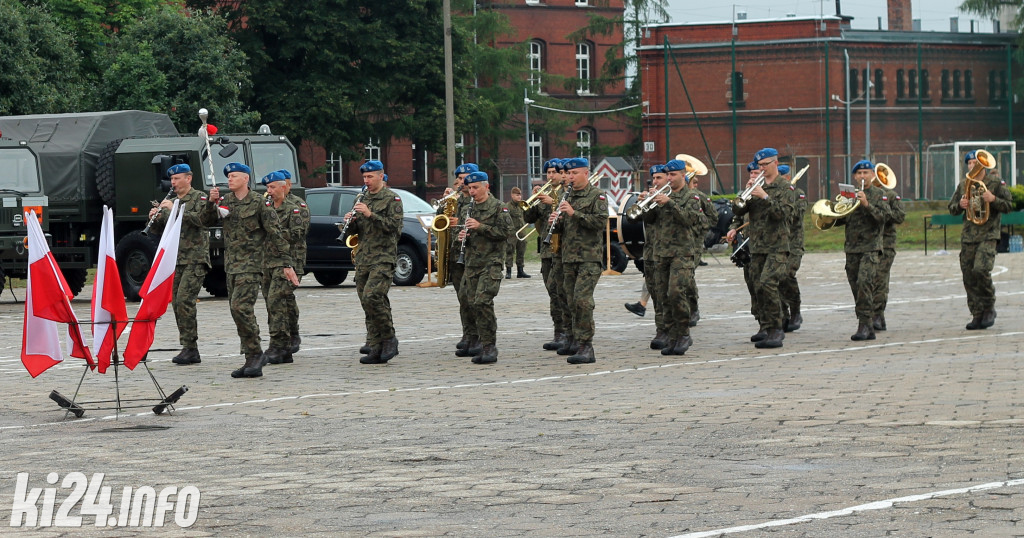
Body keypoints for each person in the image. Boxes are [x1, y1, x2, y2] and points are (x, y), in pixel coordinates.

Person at [207, 162, 298, 378]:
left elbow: (276, 234)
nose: (230, 179)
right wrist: (210, 204)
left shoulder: (259, 203)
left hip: (253, 265)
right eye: (228, 176)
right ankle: (251, 356)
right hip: (231, 265)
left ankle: (255, 354)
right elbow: (205, 222)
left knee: (241, 307)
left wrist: (287, 264)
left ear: (246, 179)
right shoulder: (225, 201)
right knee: (236, 310)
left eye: (235, 175)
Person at [147, 163, 217, 366]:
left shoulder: (199, 198)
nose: (173, 183)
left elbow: (201, 220)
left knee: (185, 300)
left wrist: (175, 209)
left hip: (195, 258)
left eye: (177, 179)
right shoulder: (171, 201)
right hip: (175, 259)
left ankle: (190, 347)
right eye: (172, 179)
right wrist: (155, 217)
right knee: (177, 302)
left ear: (189, 178)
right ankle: (188, 347)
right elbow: (159, 230)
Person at [727, 148, 796, 349]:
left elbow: (784, 214)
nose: (762, 169)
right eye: (759, 166)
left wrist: (765, 197)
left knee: (768, 283)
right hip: (757, 246)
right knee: (758, 287)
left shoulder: (785, 188)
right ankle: (765, 327)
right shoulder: (756, 186)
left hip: (777, 246)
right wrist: (746, 195)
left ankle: (776, 329)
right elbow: (738, 210)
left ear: (775, 163)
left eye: (765, 165)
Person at [642, 158, 710, 355]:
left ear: (683, 175)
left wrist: (670, 204)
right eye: (668, 175)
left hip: (682, 252)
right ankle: (671, 337)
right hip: (661, 253)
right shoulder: (663, 194)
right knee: (663, 297)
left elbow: (692, 220)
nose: (669, 178)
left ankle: (683, 334)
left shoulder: (692, 198)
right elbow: (648, 220)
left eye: (672, 175)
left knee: (676, 293)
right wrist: (646, 204)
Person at [341, 160, 404, 364]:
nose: (366, 181)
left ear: (380, 176)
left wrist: (370, 214)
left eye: (370, 177)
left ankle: (389, 338)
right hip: (364, 258)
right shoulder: (363, 197)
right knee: (367, 303)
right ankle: (376, 346)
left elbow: (394, 228)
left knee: (373, 296)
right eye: (364, 177)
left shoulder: (391, 199)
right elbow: (357, 231)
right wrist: (349, 222)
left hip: (383, 257)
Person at [948, 149, 1014, 330]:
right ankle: (977, 313)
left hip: (988, 234)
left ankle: (989, 305)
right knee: (968, 275)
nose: (972, 166)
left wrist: (993, 199)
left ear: (983, 164)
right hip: (968, 236)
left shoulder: (995, 183)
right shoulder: (964, 184)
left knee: (981, 269)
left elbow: (1009, 205)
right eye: (969, 163)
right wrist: (960, 205)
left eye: (975, 163)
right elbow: (951, 208)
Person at [550, 157, 608, 364]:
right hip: (568, 257)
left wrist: (574, 214)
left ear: (585, 173)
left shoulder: (597, 196)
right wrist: (555, 223)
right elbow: (563, 229)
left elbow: (599, 223)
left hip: (588, 258)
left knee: (582, 301)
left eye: (574, 173)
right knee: (570, 301)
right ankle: (574, 339)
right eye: (569, 173)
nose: (570, 177)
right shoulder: (565, 197)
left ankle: (586, 346)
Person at [454, 171, 513, 364]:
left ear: (486, 187)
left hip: (491, 263)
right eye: (469, 188)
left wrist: (480, 227)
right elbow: (462, 234)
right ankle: (476, 341)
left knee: (482, 301)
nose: (472, 192)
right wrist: (462, 236)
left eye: (475, 188)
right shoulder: (466, 210)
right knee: (471, 304)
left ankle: (489, 346)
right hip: (472, 263)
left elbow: (506, 233)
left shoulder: (498, 208)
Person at [834, 160, 890, 341]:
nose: (862, 176)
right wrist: (833, 212)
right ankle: (866, 323)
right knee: (856, 286)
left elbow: (884, 218)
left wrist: (866, 204)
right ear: (855, 177)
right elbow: (840, 219)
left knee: (865, 284)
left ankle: (865, 325)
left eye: (866, 173)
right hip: (851, 248)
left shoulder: (879, 194)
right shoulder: (849, 195)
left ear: (873, 175)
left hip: (871, 248)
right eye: (859, 174)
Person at [259, 170, 309, 365]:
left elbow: (298, 233)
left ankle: (279, 344)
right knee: (275, 302)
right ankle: (285, 346)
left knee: (276, 300)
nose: (269, 191)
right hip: (267, 261)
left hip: (290, 261)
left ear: (284, 187)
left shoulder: (295, 207)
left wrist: (273, 233)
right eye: (267, 188)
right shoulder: (265, 206)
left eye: (272, 187)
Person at [524, 159, 568, 351]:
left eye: (554, 172)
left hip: (564, 251)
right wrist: (533, 201)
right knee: (553, 293)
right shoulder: (545, 194)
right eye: (548, 172)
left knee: (563, 293)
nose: (551, 176)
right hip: (547, 250)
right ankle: (559, 332)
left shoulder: (566, 193)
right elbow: (528, 219)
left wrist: (554, 202)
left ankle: (569, 332)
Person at [628, 164, 671, 349]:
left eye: (659, 178)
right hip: (652, 252)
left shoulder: (674, 197)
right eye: (653, 179)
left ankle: (674, 330)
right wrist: (640, 204)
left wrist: (666, 202)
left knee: (670, 294)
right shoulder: (651, 199)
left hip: (671, 252)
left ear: (668, 179)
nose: (655, 182)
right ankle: (661, 330)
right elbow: (634, 219)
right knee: (656, 293)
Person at [440, 163, 478, 354]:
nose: (462, 182)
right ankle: (468, 334)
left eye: (466, 178)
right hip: (456, 253)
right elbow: (440, 221)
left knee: (471, 297)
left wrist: (460, 223)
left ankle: (478, 335)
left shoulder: (480, 199)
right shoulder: (454, 199)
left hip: (474, 255)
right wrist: (443, 202)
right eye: (460, 179)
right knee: (462, 297)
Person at [873, 171, 905, 331]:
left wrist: (882, 210)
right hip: (866, 243)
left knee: (880, 278)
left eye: (868, 173)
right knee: (866, 280)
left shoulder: (890, 195)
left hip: (886, 244)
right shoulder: (862, 194)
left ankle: (877, 314)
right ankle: (870, 315)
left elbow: (900, 216)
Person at [776, 163, 806, 332]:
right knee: (776, 277)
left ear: (788, 177)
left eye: (781, 176)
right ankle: (783, 314)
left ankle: (795, 310)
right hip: (777, 243)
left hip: (793, 244)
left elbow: (795, 216)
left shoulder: (798, 194)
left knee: (787, 274)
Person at [504, 187, 530, 279]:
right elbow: (506, 219)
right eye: (517, 195)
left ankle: (520, 271)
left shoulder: (522, 205)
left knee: (521, 251)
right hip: (512, 233)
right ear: (512, 195)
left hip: (521, 231)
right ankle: (508, 271)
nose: (519, 197)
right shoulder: (507, 206)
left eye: (520, 195)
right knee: (510, 251)